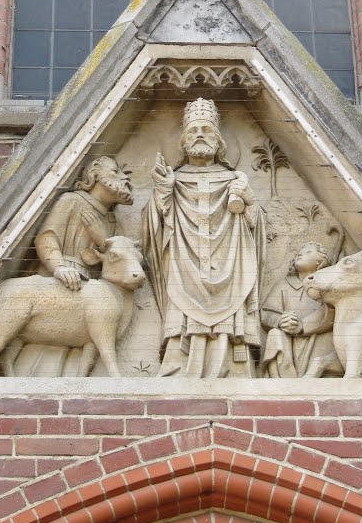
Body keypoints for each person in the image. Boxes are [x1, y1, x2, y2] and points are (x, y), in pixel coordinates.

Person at [143, 98, 265, 378]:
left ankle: (234, 370)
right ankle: (178, 366)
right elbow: (154, 227)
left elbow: (255, 227)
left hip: (229, 265)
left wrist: (248, 200)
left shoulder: (234, 179)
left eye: (207, 130)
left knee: (229, 313)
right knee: (182, 310)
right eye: (193, 130)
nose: (200, 134)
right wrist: (164, 190)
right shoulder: (174, 180)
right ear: (183, 141)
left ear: (220, 142)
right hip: (183, 267)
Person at [8, 156, 134, 376]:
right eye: (115, 171)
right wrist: (58, 267)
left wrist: (103, 239)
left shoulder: (112, 221)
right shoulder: (72, 201)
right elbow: (47, 237)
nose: (124, 177)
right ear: (95, 176)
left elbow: (113, 261)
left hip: (89, 288)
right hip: (60, 279)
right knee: (46, 343)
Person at [260, 241, 342, 379]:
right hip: (289, 342)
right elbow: (266, 313)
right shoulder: (284, 285)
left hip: (317, 340)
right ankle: (282, 380)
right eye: (299, 253)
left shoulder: (326, 287)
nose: (300, 255)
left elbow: (334, 313)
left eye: (308, 252)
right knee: (275, 334)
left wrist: (302, 326)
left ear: (320, 261)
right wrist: (281, 321)